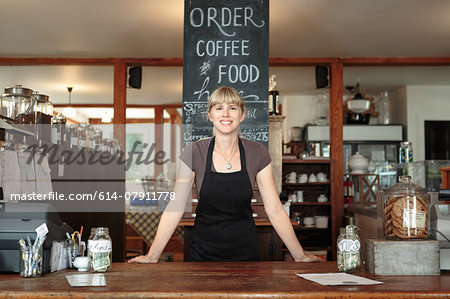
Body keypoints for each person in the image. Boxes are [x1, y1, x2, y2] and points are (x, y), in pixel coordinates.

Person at [129, 86, 323, 263]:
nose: (226, 113)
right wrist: (152, 255)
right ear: (210, 115)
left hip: (245, 251)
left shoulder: (258, 152)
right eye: (219, 108)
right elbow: (176, 205)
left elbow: (274, 208)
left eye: (232, 108)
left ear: (242, 115)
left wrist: (300, 255)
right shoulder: (194, 151)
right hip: (203, 252)